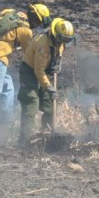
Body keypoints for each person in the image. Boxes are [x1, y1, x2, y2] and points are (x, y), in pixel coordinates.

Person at [0, 3, 51, 126]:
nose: (37, 26)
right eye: (38, 23)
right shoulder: (25, 30)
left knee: (8, 87)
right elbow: (29, 53)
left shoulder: (8, 12)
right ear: (35, 18)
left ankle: (7, 120)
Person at [18, 18, 75, 147]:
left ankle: (47, 135)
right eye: (62, 39)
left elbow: (59, 53)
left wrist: (58, 64)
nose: (63, 42)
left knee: (49, 103)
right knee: (31, 102)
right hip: (30, 71)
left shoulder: (60, 42)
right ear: (55, 35)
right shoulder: (43, 44)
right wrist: (49, 87)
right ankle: (25, 140)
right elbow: (38, 70)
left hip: (46, 72)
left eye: (66, 40)